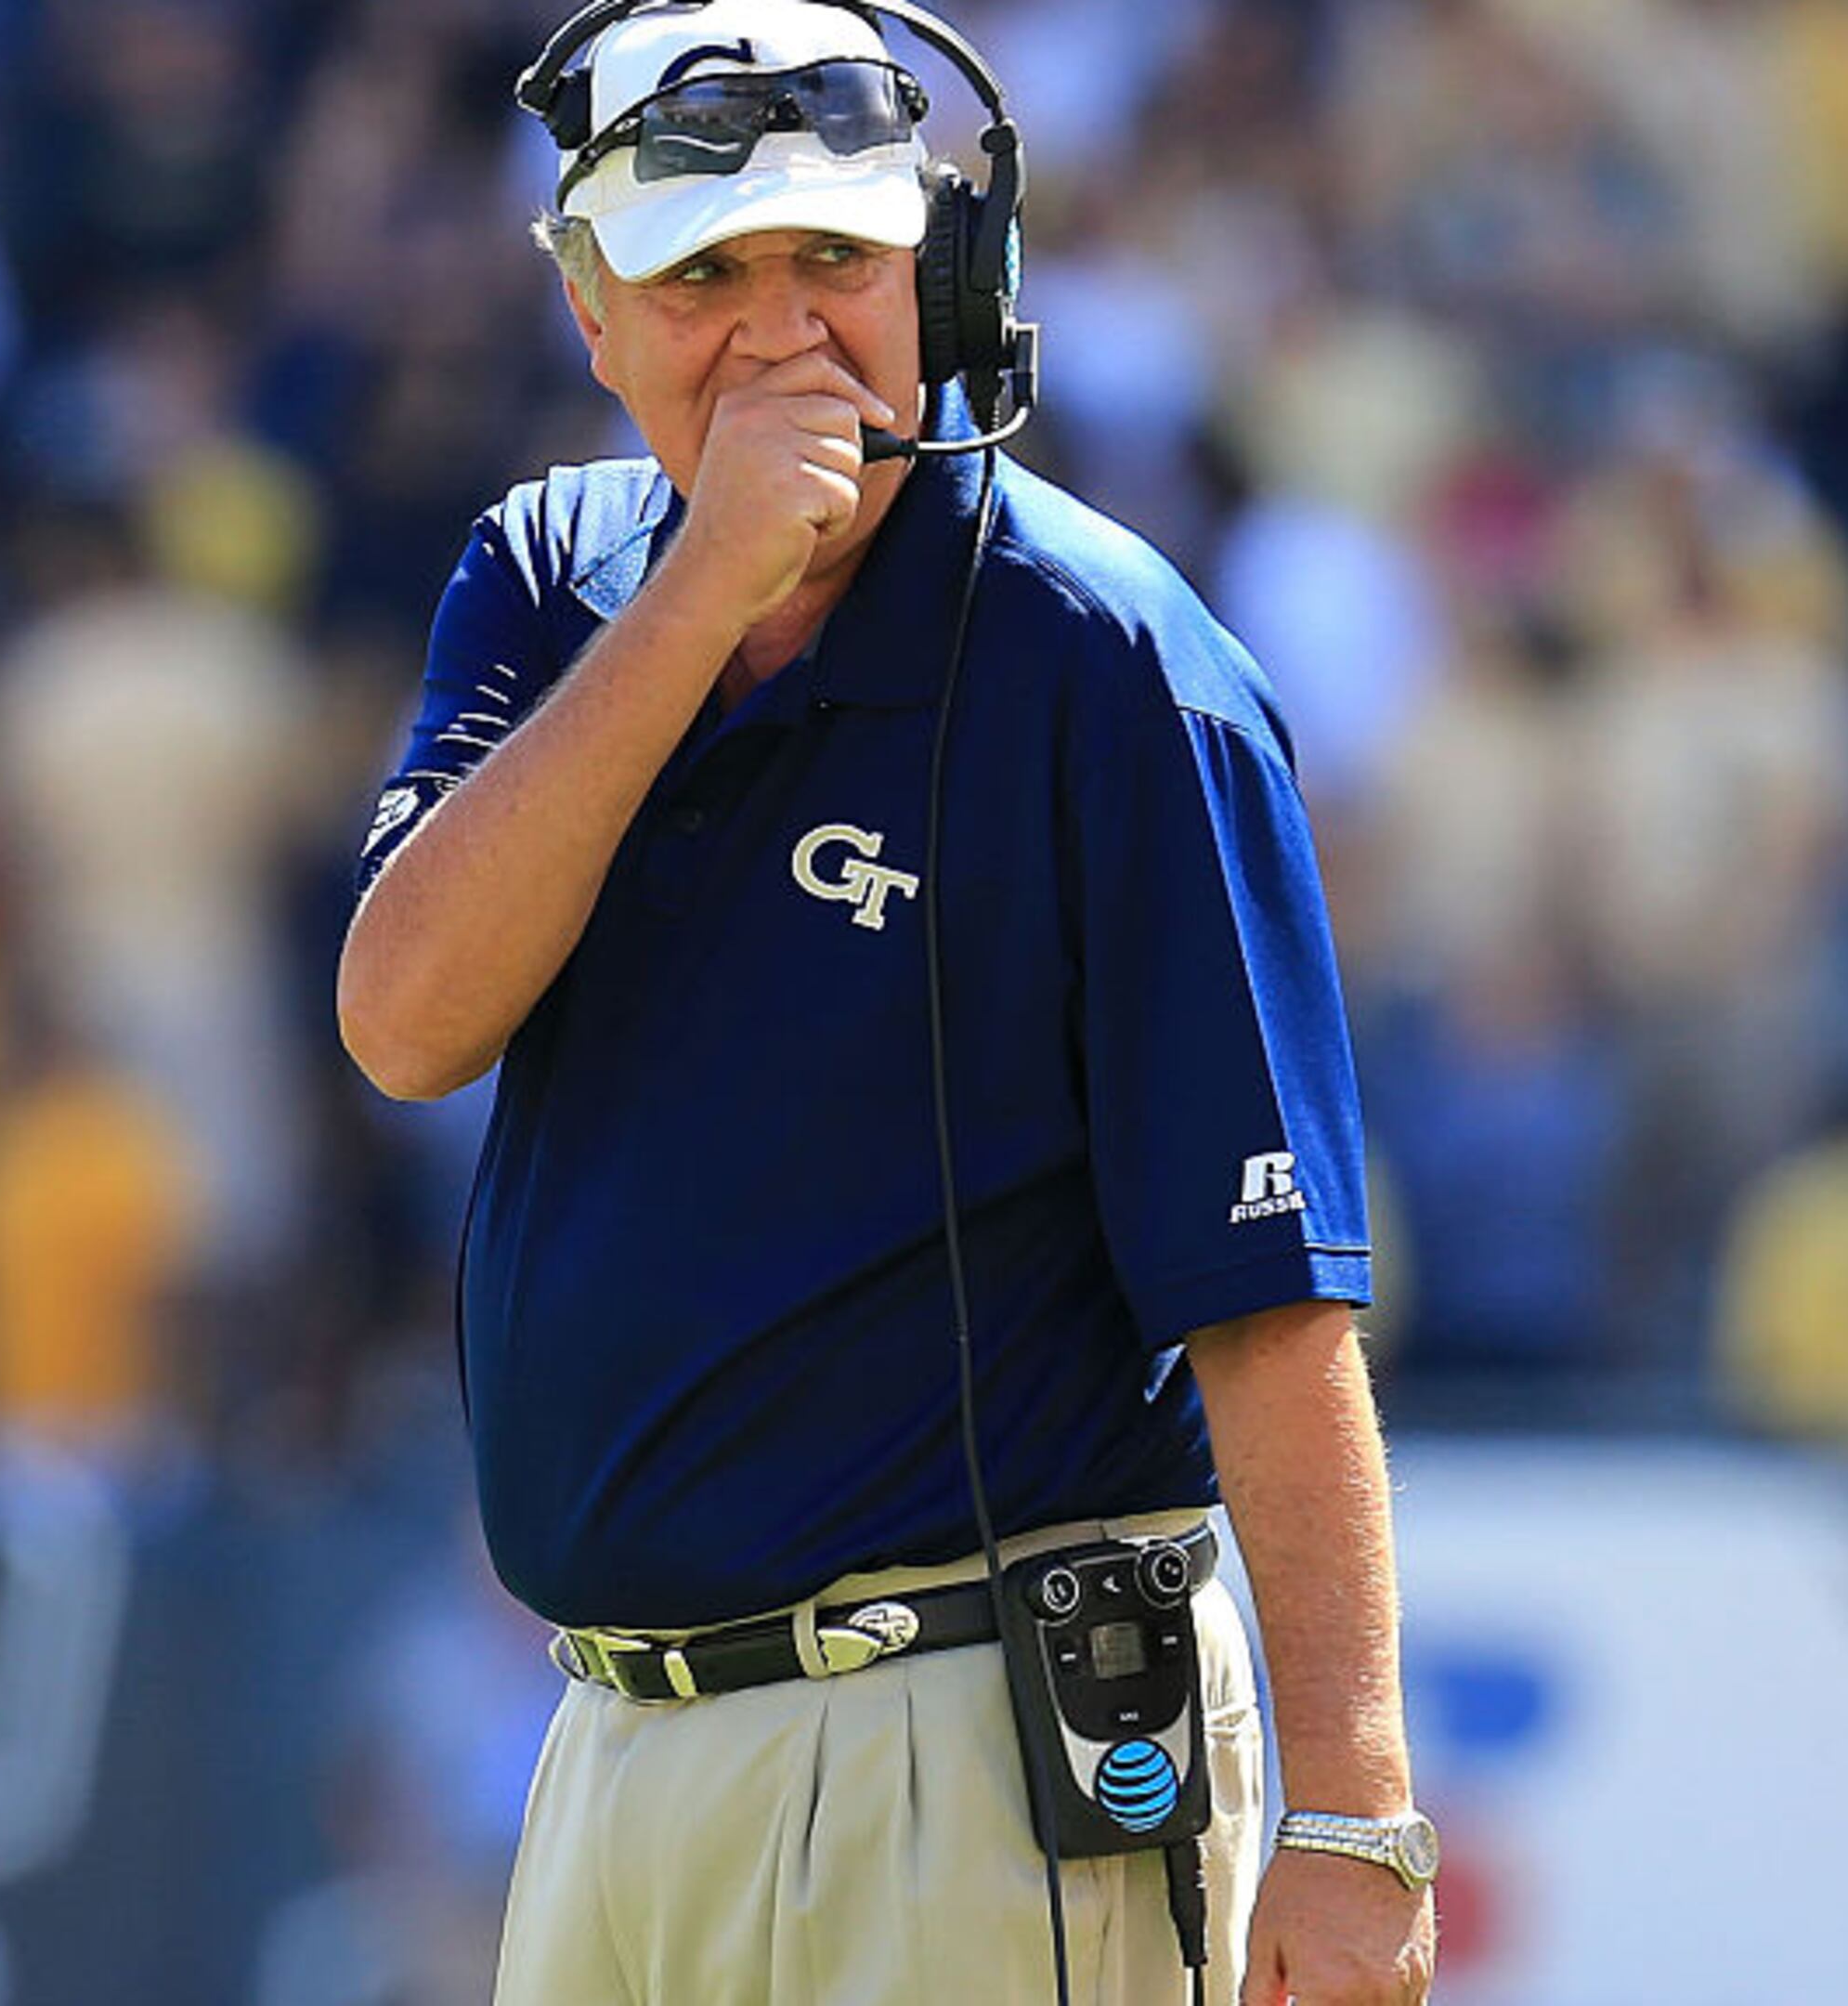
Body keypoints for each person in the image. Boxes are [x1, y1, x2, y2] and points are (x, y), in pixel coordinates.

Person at [332, 4, 1437, 2001]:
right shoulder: (551, 567)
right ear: (591, 311)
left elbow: (1271, 1295)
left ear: (947, 274)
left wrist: (1355, 1814)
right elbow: (407, 1022)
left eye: (833, 261)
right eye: (703, 275)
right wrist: (704, 594)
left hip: (977, 1739)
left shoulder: (1111, 663)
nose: (778, 332)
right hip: (605, 1752)